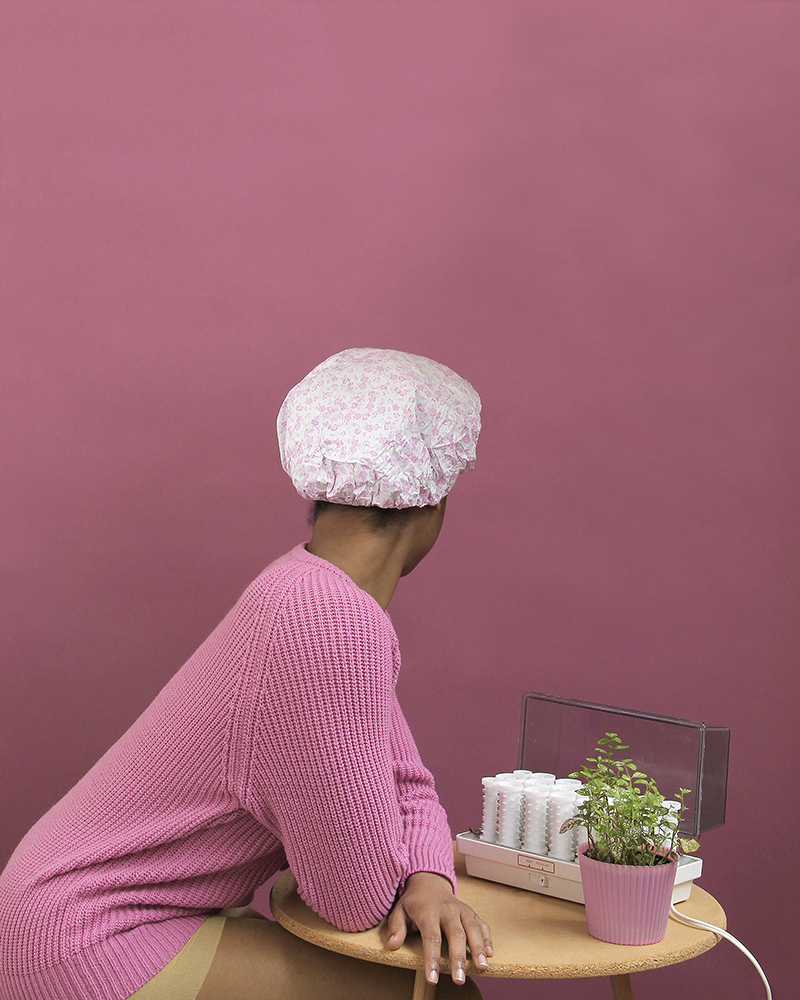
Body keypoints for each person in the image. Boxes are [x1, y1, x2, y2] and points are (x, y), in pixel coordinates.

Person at [0, 348, 491, 1000]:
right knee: (440, 989)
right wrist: (404, 870)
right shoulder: (327, 622)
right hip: (94, 940)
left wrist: (430, 875)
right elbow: (356, 899)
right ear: (433, 500)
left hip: (76, 916)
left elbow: (408, 784)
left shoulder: (309, 591)